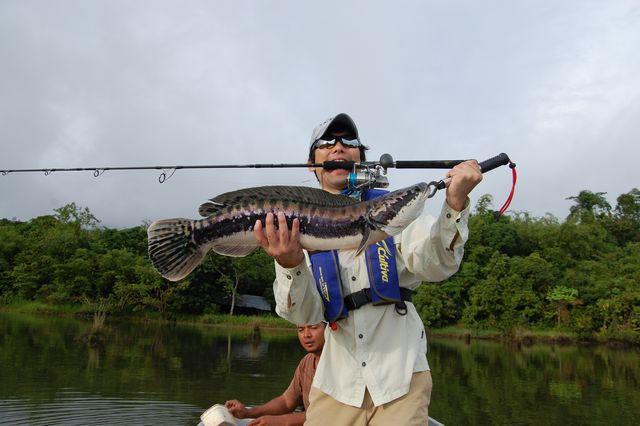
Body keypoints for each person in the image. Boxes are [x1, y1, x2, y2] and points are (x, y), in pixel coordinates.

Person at [253, 113, 482, 425]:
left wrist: (455, 206)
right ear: (312, 164)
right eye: (326, 142)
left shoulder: (393, 208)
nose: (338, 147)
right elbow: (302, 317)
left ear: (361, 158)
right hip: (336, 382)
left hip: (401, 377)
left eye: (349, 141)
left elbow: (438, 265)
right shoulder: (292, 221)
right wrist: (289, 263)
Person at [225, 322, 326, 426]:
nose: (306, 335)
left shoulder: (340, 366)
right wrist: (248, 412)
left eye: (313, 328)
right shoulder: (306, 362)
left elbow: (327, 414)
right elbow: (287, 402)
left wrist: (282, 421)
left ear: (329, 329)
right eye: (301, 330)